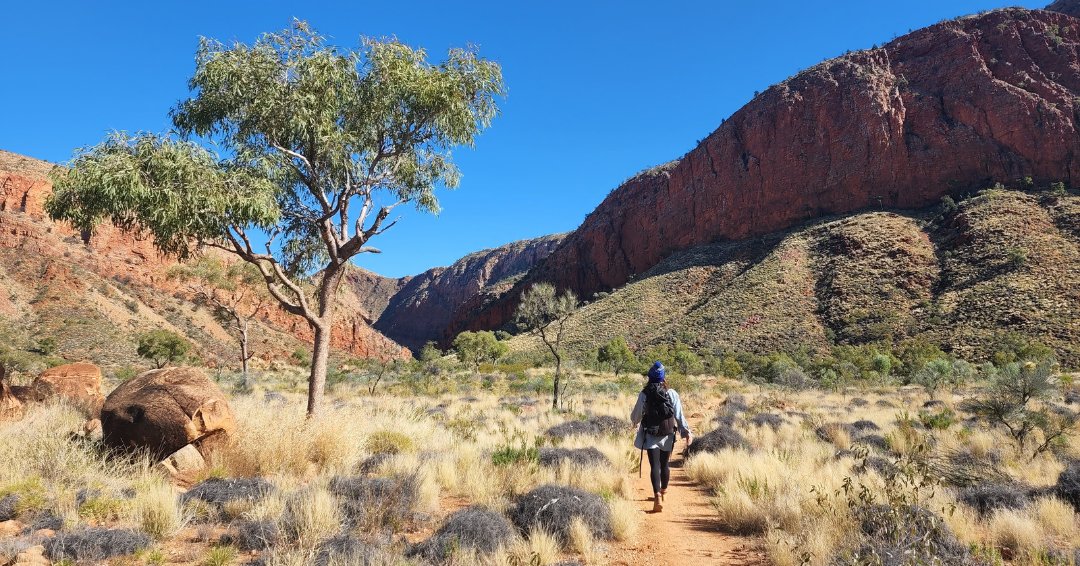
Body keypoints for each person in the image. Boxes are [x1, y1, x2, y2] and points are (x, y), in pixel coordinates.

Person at [630, 361, 692, 512]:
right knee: (664, 465)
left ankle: (657, 494)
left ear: (650, 377)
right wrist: (685, 431)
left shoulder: (645, 393)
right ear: (664, 378)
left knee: (654, 466)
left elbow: (636, 415)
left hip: (650, 434)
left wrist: (634, 422)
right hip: (668, 434)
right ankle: (663, 490)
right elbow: (679, 415)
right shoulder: (671, 393)